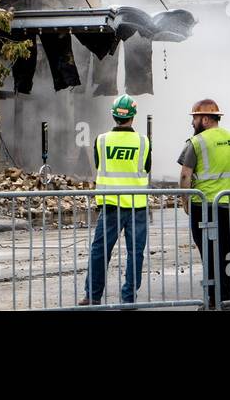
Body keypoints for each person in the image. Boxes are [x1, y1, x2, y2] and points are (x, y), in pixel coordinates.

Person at [80, 94, 151, 305]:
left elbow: (98, 163)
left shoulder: (101, 140)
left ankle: (92, 296)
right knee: (135, 253)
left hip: (110, 206)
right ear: (133, 116)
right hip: (137, 206)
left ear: (113, 115)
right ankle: (129, 298)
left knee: (100, 252)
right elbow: (146, 168)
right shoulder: (143, 141)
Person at [178, 98, 230, 308]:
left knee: (209, 252)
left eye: (195, 118)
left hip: (205, 207)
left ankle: (213, 298)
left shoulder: (197, 142)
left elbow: (185, 176)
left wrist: (185, 201)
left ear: (206, 119)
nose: (192, 123)